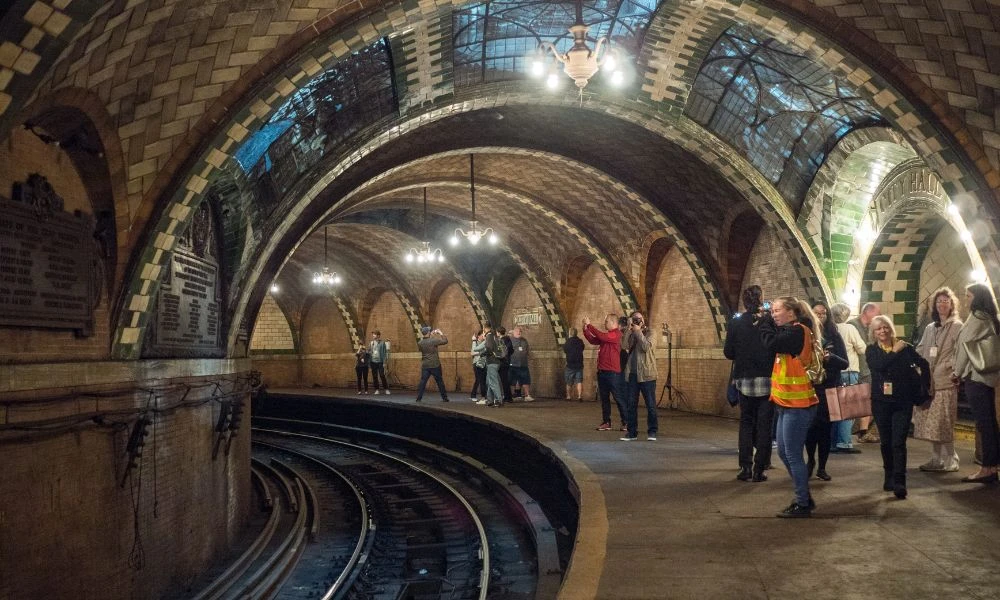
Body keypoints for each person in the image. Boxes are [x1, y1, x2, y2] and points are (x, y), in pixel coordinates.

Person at [758, 296, 821, 518]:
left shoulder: (797, 331)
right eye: (772, 311)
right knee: (785, 453)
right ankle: (803, 495)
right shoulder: (788, 332)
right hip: (785, 403)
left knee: (792, 454)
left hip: (799, 405)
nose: (773, 314)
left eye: (777, 310)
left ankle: (803, 502)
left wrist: (764, 323)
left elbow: (772, 343)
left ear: (791, 313)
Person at [866, 315, 926, 499]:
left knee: (898, 442)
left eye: (885, 327)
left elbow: (924, 363)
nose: (882, 331)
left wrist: (923, 386)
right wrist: (894, 352)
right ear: (874, 333)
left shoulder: (905, 347)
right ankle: (888, 476)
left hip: (902, 401)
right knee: (886, 442)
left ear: (890, 328)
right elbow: (879, 366)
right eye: (878, 329)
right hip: (881, 402)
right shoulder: (872, 350)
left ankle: (900, 481)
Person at [724, 285, 775, 482]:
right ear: (761, 299)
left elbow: (728, 352)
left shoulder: (736, 323)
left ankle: (745, 467)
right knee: (764, 426)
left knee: (746, 423)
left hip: (744, 379)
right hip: (767, 378)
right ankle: (759, 469)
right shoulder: (769, 321)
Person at [953, 283, 1000, 484]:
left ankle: (987, 468)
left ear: (977, 297)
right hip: (987, 378)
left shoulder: (978, 318)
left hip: (976, 377)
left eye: (968, 295)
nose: (966, 299)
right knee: (988, 422)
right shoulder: (990, 317)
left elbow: (964, 347)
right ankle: (991, 466)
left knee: (984, 423)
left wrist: (956, 372)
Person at [914, 287, 963, 472]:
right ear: (934, 305)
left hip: (945, 381)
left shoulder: (958, 326)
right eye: (939, 301)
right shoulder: (930, 328)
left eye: (946, 301)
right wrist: (917, 366)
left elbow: (960, 351)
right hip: (928, 381)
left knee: (944, 421)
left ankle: (952, 457)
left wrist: (951, 368)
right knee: (930, 423)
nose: (942, 304)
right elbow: (921, 348)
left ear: (952, 304)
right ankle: (935, 458)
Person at [804, 301, 848, 481]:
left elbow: (845, 363)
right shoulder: (806, 334)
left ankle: (822, 466)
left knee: (825, 430)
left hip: (829, 388)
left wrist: (830, 358)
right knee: (810, 428)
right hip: (811, 388)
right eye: (816, 313)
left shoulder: (834, 336)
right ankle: (810, 461)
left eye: (823, 313)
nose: (820, 316)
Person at [829, 303, 866, 453]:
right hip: (849, 371)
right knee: (848, 410)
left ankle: (833, 442)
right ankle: (844, 442)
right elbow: (862, 348)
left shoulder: (829, 329)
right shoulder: (849, 328)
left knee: (835, 410)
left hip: (833, 372)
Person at [584, 314, 627, 432]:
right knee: (604, 399)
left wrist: (590, 325)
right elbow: (593, 340)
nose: (605, 323)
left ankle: (626, 422)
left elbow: (600, 335)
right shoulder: (606, 336)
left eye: (606, 321)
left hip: (613, 373)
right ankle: (606, 422)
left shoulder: (616, 334)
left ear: (613, 323)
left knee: (619, 398)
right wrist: (585, 329)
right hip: (602, 372)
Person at [622, 311, 658, 441]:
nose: (636, 321)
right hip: (632, 375)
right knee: (631, 405)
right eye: (634, 319)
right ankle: (632, 433)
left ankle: (652, 432)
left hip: (647, 374)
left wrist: (638, 331)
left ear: (643, 320)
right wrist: (628, 328)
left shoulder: (652, 333)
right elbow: (624, 345)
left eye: (638, 319)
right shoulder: (631, 333)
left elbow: (645, 347)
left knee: (650, 405)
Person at [850, 302, 881, 442]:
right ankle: (858, 432)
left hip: (867, 369)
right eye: (876, 314)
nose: (878, 317)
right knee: (856, 402)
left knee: (867, 400)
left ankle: (862, 431)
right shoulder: (853, 326)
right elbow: (861, 348)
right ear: (867, 312)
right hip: (858, 369)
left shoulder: (869, 327)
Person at [415, 326, 449, 403]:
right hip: (435, 365)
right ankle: (445, 398)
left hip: (425, 365)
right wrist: (440, 333)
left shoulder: (420, 343)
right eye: (429, 331)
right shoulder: (433, 341)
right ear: (428, 332)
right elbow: (445, 341)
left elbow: (428, 343)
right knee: (440, 382)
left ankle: (418, 398)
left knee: (423, 382)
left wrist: (431, 335)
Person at [482, 321, 506, 407]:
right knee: (489, 381)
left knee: (493, 382)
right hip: (495, 362)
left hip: (492, 362)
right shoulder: (494, 336)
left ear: (484, 328)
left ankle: (499, 400)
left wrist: (483, 353)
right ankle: (490, 400)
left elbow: (489, 348)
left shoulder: (489, 336)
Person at [509, 327, 534, 401]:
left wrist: (530, 356)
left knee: (526, 380)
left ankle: (527, 396)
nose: (519, 332)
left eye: (520, 331)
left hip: (523, 364)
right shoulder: (510, 340)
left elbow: (528, 350)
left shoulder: (524, 340)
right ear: (513, 332)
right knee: (512, 381)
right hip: (512, 364)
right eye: (517, 331)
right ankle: (512, 396)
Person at [563, 327, 585, 401]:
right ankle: (579, 396)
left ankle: (568, 397)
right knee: (579, 381)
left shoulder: (568, 342)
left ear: (570, 333)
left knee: (569, 382)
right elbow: (582, 348)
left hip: (570, 365)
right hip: (579, 365)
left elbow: (565, 350)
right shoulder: (580, 341)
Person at [369, 330, 390, 395]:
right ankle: (377, 389)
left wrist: (384, 362)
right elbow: (369, 352)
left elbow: (384, 353)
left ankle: (386, 389)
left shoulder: (382, 343)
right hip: (373, 362)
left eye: (374, 334)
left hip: (380, 362)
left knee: (382, 375)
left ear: (378, 335)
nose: (373, 335)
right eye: (373, 334)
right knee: (374, 376)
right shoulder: (371, 343)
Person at [469, 328, 487, 403]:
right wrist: (481, 353)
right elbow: (472, 353)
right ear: (478, 336)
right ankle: (474, 395)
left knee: (479, 380)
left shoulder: (484, 343)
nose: (483, 337)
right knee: (479, 380)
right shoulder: (475, 342)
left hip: (483, 363)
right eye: (482, 335)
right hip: (476, 363)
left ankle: (474, 395)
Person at [498, 326, 514, 403]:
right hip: (507, 362)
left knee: (503, 381)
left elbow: (500, 352)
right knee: (506, 380)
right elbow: (511, 350)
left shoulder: (501, 340)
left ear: (498, 332)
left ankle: (507, 397)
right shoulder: (508, 339)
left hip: (502, 362)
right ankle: (509, 397)